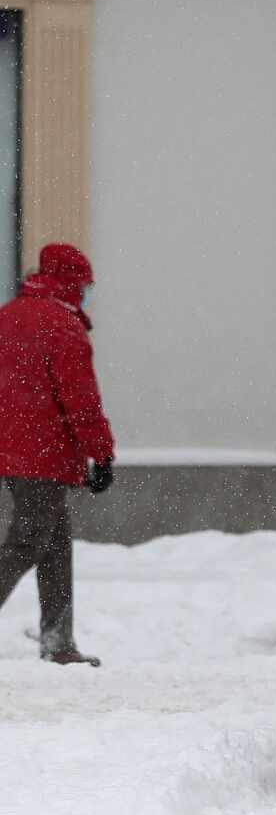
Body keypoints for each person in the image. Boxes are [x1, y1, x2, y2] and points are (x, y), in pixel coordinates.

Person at [0, 243, 114, 665]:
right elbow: (81, 399)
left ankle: (59, 643)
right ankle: (57, 642)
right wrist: (101, 454)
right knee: (28, 542)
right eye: (84, 286)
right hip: (40, 453)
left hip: (13, 449)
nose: (86, 293)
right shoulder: (61, 325)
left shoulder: (9, 315)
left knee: (54, 545)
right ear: (70, 282)